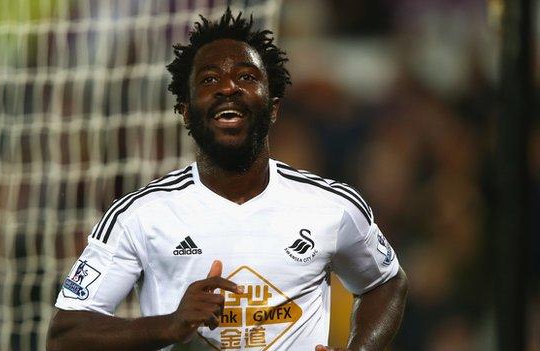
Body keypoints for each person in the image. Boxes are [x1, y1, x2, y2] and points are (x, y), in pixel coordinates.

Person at [47, 8, 407, 351]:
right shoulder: (139, 215)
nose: (228, 87)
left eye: (246, 76)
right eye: (209, 79)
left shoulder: (332, 207)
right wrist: (169, 325)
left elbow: (386, 283)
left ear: (274, 107)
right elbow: (65, 335)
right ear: (186, 112)